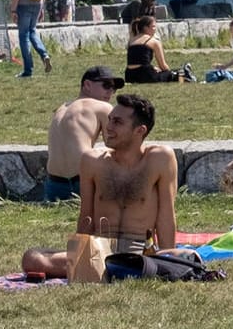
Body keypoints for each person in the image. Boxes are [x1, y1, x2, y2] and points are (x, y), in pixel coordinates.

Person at [22, 93, 178, 278]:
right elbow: (86, 215)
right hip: (100, 250)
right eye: (109, 120)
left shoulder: (159, 158)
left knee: (175, 258)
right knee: (32, 259)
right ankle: (113, 270)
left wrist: (169, 258)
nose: (108, 127)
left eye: (117, 122)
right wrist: (80, 256)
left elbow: (166, 214)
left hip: (139, 251)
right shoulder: (93, 161)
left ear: (140, 130)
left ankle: (123, 269)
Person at [45, 67, 123, 202]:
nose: (110, 92)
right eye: (106, 85)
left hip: (54, 184)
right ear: (87, 85)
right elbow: (118, 147)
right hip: (82, 182)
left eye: (113, 88)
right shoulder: (102, 107)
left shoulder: (62, 108)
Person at [123, 16, 189, 83]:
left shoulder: (132, 41)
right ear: (145, 28)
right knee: (176, 73)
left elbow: (137, 61)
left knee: (162, 72)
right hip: (145, 76)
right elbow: (163, 65)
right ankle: (184, 76)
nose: (155, 29)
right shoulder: (153, 41)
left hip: (129, 76)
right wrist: (169, 73)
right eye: (153, 26)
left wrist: (152, 68)